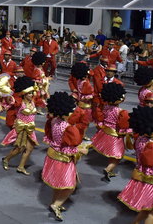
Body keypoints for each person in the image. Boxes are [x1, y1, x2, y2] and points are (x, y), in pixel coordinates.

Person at [41, 92, 87, 221]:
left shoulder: (53, 121)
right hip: (63, 159)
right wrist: (81, 149)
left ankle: (54, 202)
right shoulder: (68, 128)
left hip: (52, 155)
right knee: (70, 186)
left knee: (58, 184)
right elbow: (70, 147)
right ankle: (56, 205)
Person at [91, 83, 131, 182]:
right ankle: (108, 169)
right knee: (118, 156)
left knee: (112, 154)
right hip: (115, 136)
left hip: (105, 132)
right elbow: (123, 126)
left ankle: (110, 171)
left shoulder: (105, 107)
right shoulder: (121, 112)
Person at [1, 77, 37, 175]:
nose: (32, 95)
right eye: (29, 93)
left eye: (32, 92)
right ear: (24, 94)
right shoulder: (19, 103)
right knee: (19, 149)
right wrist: (7, 95)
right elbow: (11, 101)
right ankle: (6, 159)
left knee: (30, 148)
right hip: (21, 129)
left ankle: (21, 167)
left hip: (30, 129)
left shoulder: (32, 102)